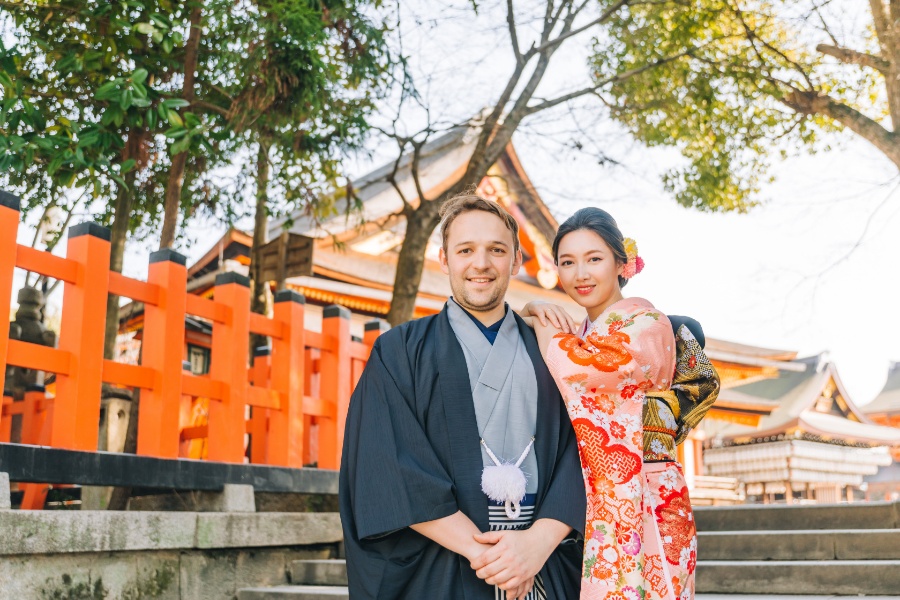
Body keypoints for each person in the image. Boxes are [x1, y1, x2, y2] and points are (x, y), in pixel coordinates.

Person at [339, 193, 586, 599]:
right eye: (466, 250)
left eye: (496, 250)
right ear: (445, 259)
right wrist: (490, 556)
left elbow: (588, 447)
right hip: (446, 562)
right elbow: (386, 462)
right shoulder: (400, 351)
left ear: (516, 261)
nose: (481, 263)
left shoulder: (553, 349)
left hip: (541, 562)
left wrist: (536, 544)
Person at [521, 207, 720, 600]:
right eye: (567, 262)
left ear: (620, 263)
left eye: (594, 259)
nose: (580, 274)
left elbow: (584, 371)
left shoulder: (646, 323)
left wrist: (540, 323)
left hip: (651, 492)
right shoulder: (580, 330)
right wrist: (530, 309)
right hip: (604, 495)